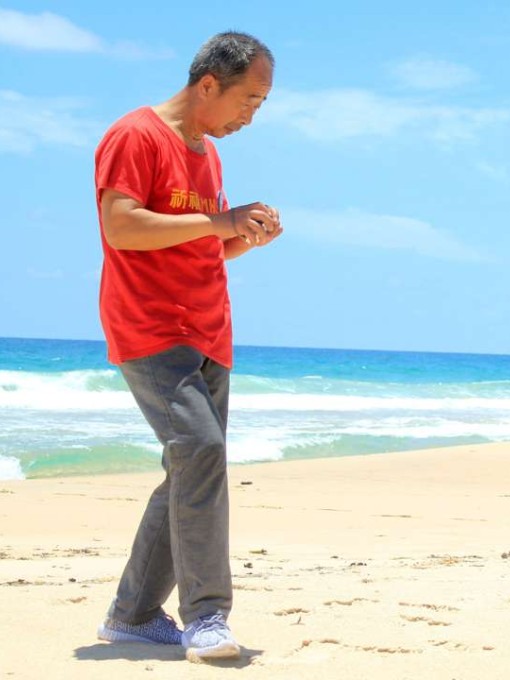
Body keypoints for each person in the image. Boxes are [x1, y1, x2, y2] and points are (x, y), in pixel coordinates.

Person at [93, 31, 281, 662]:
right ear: (208, 84)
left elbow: (203, 241)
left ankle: (133, 615)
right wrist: (221, 221)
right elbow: (121, 226)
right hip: (150, 328)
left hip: (209, 329)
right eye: (248, 100)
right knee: (201, 453)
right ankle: (206, 616)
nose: (251, 116)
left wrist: (244, 234)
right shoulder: (135, 135)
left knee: (188, 467)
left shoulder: (208, 153)